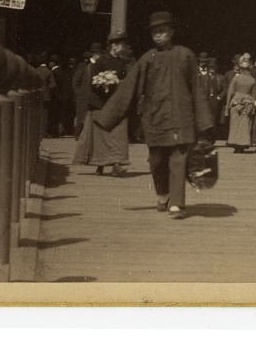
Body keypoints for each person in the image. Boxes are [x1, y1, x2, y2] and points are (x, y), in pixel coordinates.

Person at [95, 12, 212, 219]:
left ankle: (177, 204)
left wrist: (204, 122)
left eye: (162, 32)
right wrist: (107, 117)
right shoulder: (147, 58)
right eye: (155, 33)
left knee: (178, 160)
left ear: (171, 32)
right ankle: (163, 193)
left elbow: (197, 89)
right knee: (157, 161)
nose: (158, 36)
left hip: (181, 118)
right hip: (155, 117)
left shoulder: (185, 55)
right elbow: (129, 88)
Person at [72, 30, 132, 176]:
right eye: (121, 45)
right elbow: (93, 82)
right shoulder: (100, 61)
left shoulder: (122, 62)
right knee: (100, 137)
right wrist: (104, 83)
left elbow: (125, 79)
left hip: (115, 104)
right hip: (100, 104)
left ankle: (116, 164)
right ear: (113, 45)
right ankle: (100, 164)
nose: (123, 47)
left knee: (118, 134)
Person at [225, 53, 256, 153]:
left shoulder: (236, 78)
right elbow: (254, 95)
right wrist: (252, 106)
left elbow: (230, 92)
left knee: (235, 123)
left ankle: (235, 144)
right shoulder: (253, 80)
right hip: (247, 102)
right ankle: (242, 144)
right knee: (245, 124)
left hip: (236, 101)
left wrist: (227, 106)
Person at [71, 44, 101, 139]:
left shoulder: (100, 65)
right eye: (96, 53)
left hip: (95, 96)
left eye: (98, 53)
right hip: (83, 96)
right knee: (81, 117)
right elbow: (75, 82)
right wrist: (79, 94)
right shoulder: (84, 66)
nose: (98, 55)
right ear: (93, 54)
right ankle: (78, 134)